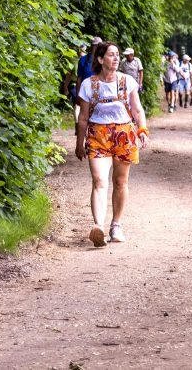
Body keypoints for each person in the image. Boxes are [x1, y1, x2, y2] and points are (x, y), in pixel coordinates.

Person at [75, 42, 149, 246]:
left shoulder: (128, 81)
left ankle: (116, 225)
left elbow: (137, 110)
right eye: (111, 55)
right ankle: (98, 226)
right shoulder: (88, 84)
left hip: (124, 134)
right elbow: (82, 118)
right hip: (98, 135)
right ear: (100, 59)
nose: (116, 58)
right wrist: (79, 143)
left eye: (117, 55)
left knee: (120, 182)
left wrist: (142, 129)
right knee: (99, 180)